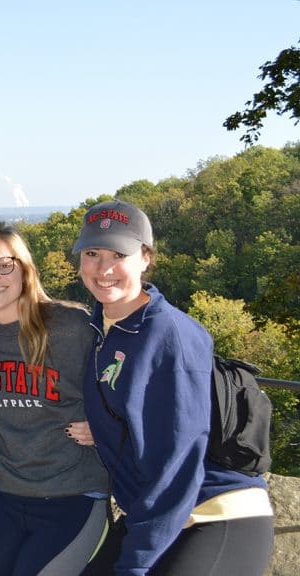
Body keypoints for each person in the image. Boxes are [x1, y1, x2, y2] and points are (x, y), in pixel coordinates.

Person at [74, 200, 274, 576]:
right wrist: (101, 429)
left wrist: (136, 564)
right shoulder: (102, 328)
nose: (103, 269)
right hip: (157, 512)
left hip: (215, 512)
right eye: (92, 253)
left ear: (146, 258)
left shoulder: (168, 334)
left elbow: (178, 462)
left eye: (119, 254)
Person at [0, 223, 109, 575]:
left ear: (25, 269)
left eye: (3, 264)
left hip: (74, 495)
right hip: (6, 497)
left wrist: (108, 424)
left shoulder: (71, 327)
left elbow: (130, 383)